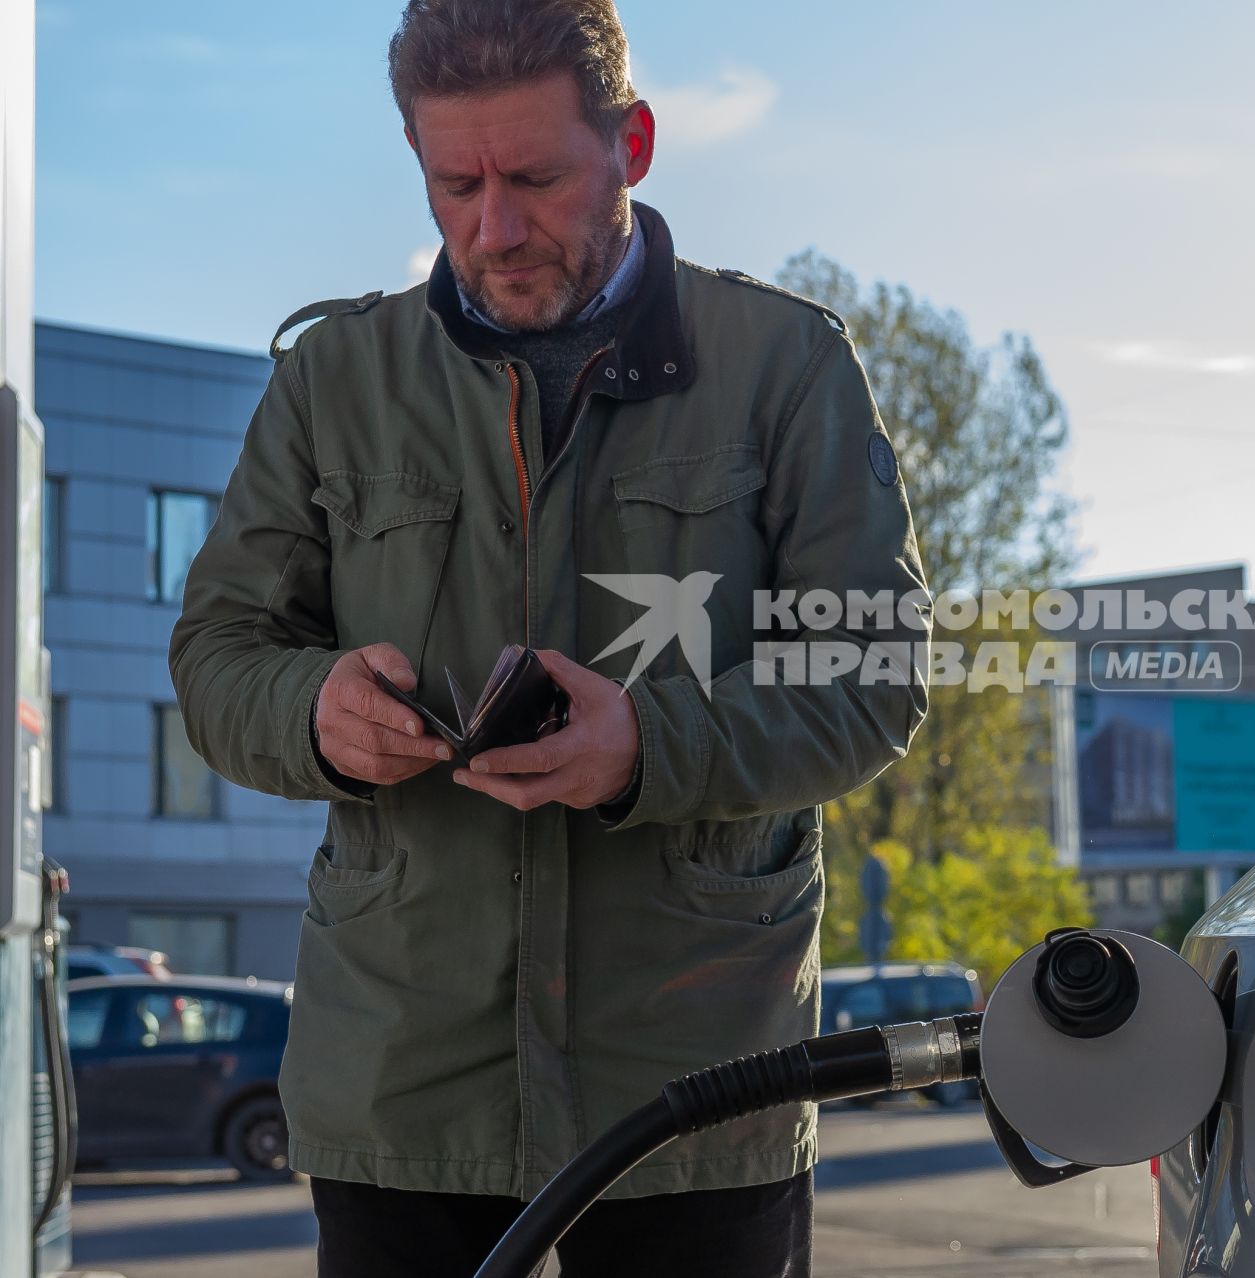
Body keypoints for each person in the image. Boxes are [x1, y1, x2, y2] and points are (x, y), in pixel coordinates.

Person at [167, 2, 928, 1273]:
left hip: (700, 1082)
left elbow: (872, 678)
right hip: (402, 1086)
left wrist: (650, 745)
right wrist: (316, 712)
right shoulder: (331, 382)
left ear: (630, 142)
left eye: (535, 177)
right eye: (452, 183)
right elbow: (215, 660)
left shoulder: (788, 366)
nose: (492, 227)